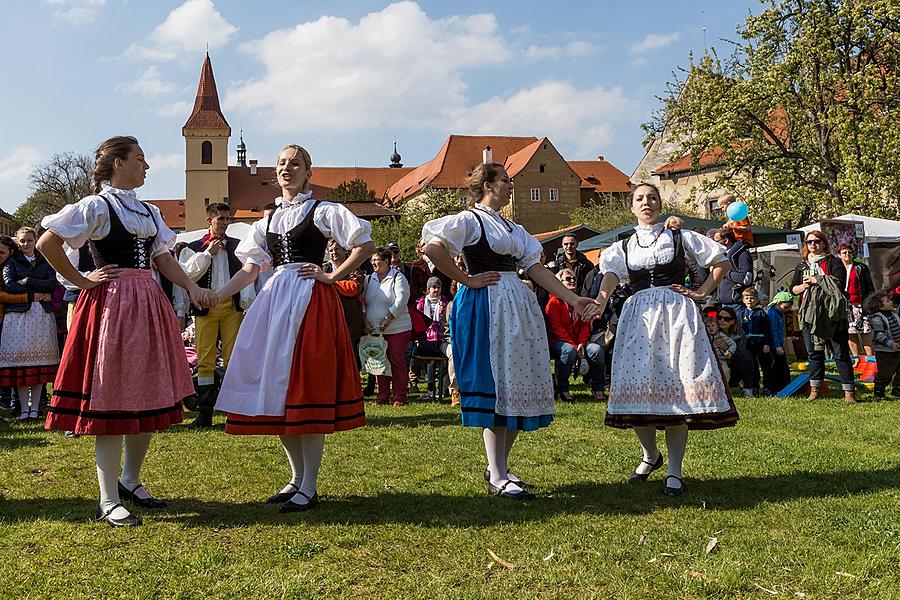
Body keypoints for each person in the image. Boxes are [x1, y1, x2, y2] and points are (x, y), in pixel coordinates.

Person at [38, 136, 211, 527]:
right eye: (141, 159)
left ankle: (130, 480)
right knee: (111, 396)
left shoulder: (149, 212)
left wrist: (192, 288)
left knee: (147, 392)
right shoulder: (97, 205)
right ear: (118, 163)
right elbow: (49, 241)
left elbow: (162, 258)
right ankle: (107, 497)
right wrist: (81, 280)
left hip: (147, 302)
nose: (147, 166)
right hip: (110, 306)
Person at [211, 144, 375, 513]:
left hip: (310, 301)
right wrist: (216, 294)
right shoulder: (265, 222)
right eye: (283, 163)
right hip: (274, 303)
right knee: (280, 393)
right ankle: (296, 478)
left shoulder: (323, 211)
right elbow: (250, 270)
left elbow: (363, 244)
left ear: (307, 172)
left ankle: (310, 485)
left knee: (306, 387)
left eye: (295, 164)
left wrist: (332, 275)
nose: (287, 169)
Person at [422, 162, 600, 500]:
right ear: (487, 185)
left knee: (516, 383)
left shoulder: (514, 229)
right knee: (497, 381)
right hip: (485, 304)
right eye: (504, 180)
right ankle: (498, 474)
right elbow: (432, 248)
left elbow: (535, 268)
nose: (510, 184)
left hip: (516, 304)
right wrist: (466, 280)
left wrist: (574, 299)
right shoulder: (469, 221)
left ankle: (498, 468)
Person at [593, 182, 737, 496]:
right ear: (631, 206)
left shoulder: (680, 236)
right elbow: (611, 275)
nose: (647, 203)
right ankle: (650, 455)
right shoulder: (623, 244)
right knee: (636, 387)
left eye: (652, 197)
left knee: (677, 388)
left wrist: (701, 293)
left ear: (660, 203)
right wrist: (601, 302)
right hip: (638, 317)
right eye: (640, 198)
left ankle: (674, 471)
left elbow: (722, 261)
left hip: (676, 314)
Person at [179, 203, 253, 428]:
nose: (224, 222)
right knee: (205, 360)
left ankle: (234, 411)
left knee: (232, 359)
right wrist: (207, 253)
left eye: (227, 219)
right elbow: (189, 273)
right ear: (208, 220)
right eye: (220, 218)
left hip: (231, 307)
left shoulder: (238, 246)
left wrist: (247, 303)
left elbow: (247, 275)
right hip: (205, 308)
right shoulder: (194, 246)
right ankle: (205, 413)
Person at [0, 227, 60, 420]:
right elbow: (9, 284)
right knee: (20, 364)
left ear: (35, 241)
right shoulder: (12, 262)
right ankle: (23, 409)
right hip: (18, 316)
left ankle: (34, 408)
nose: (26, 244)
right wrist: (34, 293)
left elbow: (53, 282)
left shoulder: (45, 260)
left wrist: (28, 280)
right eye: (22, 241)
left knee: (38, 364)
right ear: (17, 243)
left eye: (29, 240)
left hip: (42, 314)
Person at [790, 230, 857, 403]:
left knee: (840, 353)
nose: (813, 245)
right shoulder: (802, 265)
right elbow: (793, 289)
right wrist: (803, 287)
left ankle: (849, 393)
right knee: (814, 354)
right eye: (810, 242)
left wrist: (817, 280)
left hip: (832, 314)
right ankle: (815, 390)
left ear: (824, 243)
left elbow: (839, 283)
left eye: (817, 241)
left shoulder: (834, 262)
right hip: (810, 315)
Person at [545, 268, 606, 402]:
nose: (572, 280)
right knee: (568, 351)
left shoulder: (579, 301)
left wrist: (581, 344)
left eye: (573, 278)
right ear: (559, 282)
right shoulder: (554, 302)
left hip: (579, 342)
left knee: (596, 350)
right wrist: (574, 346)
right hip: (558, 341)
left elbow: (585, 324)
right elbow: (557, 329)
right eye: (568, 279)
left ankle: (598, 388)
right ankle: (563, 389)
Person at [0, 236, 45, 414]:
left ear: (11, 252)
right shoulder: (10, 266)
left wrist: (27, 283)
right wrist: (30, 296)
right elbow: (5, 291)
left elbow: (51, 283)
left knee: (19, 362)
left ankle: (19, 405)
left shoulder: (12, 264)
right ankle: (11, 403)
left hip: (9, 318)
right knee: (11, 363)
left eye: (1, 252)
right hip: (12, 314)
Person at [364, 247, 412, 406]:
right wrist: (365, 319)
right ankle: (382, 396)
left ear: (386, 261)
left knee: (395, 359)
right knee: (379, 361)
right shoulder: (369, 279)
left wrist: (388, 318)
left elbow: (401, 300)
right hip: (375, 330)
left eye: (376, 260)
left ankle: (399, 396)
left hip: (398, 328)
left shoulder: (398, 277)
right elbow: (362, 301)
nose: (373, 263)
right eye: (372, 260)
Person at [415, 276, 450, 400]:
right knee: (430, 363)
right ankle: (430, 389)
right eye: (434, 287)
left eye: (438, 287)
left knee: (443, 362)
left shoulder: (445, 302)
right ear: (428, 289)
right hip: (426, 337)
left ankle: (442, 388)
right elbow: (418, 320)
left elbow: (446, 320)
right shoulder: (421, 303)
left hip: (440, 337)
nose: (436, 290)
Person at [838, 245, 875, 359]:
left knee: (865, 331)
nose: (847, 254)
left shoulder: (861, 267)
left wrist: (869, 302)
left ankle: (870, 358)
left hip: (860, 304)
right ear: (839, 255)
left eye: (849, 252)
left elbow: (870, 286)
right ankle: (856, 358)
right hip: (846, 305)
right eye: (844, 252)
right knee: (851, 332)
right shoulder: (837, 269)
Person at [864, 292, 900, 400]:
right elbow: (879, 334)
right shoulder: (877, 318)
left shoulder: (893, 314)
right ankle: (879, 392)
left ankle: (897, 389)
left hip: (897, 349)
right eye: (888, 301)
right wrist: (890, 343)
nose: (891, 302)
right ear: (879, 306)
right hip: (885, 351)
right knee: (885, 373)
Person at [737, 287, 772, 395]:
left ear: (757, 300)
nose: (749, 300)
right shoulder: (741, 314)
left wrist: (767, 343)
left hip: (760, 343)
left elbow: (767, 329)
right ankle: (754, 386)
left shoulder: (761, 313)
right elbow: (739, 329)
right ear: (743, 300)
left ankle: (767, 387)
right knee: (752, 366)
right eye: (746, 298)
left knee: (765, 366)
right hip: (748, 344)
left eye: (752, 298)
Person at [714, 228, 753, 308]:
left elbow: (746, 279)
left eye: (717, 241)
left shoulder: (743, 255)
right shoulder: (722, 256)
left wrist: (725, 272)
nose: (714, 244)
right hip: (722, 303)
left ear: (726, 241)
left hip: (736, 305)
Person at [766, 291, 794, 394]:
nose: (788, 310)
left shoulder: (779, 313)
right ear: (778, 303)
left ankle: (785, 387)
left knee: (783, 367)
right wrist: (777, 346)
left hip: (778, 345)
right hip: (774, 346)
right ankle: (775, 388)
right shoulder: (773, 314)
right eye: (786, 307)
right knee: (778, 368)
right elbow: (772, 331)